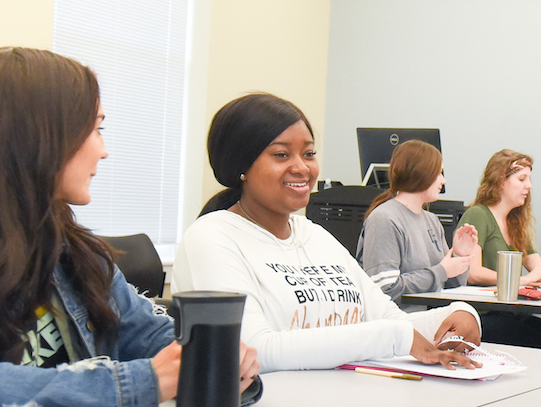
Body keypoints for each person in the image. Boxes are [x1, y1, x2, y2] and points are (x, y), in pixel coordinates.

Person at [0, 47, 257, 407]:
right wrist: (141, 383)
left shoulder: (68, 243)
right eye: (94, 129)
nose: (103, 151)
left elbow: (145, 334)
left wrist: (216, 361)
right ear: (36, 137)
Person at [173, 93, 481, 373]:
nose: (302, 168)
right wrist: (393, 337)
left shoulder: (315, 236)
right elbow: (253, 352)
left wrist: (459, 315)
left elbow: (391, 320)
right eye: (281, 155)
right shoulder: (211, 238)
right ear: (241, 166)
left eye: (308, 154)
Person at [461, 149, 541, 352]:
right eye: (522, 179)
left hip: (509, 312)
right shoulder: (478, 215)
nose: (529, 186)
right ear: (500, 181)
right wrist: (525, 280)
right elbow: (473, 274)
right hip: (483, 315)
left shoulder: (514, 224)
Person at [357, 139, 478, 302]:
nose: (443, 181)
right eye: (439, 173)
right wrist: (441, 271)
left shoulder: (432, 220)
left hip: (431, 313)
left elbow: (451, 286)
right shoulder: (384, 219)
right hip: (400, 320)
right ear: (422, 173)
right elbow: (386, 289)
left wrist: (459, 256)